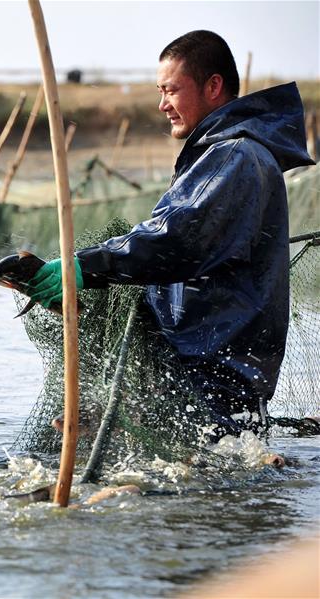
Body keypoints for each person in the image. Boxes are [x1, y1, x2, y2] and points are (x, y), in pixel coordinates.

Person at [26, 30, 314, 437]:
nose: (162, 105)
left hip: (212, 377)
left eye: (171, 90)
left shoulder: (234, 156)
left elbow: (176, 241)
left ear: (213, 86)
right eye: (160, 91)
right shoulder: (221, 152)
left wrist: (85, 266)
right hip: (199, 369)